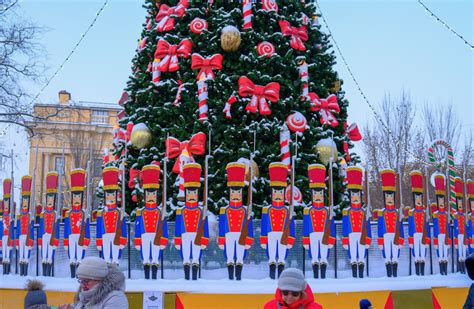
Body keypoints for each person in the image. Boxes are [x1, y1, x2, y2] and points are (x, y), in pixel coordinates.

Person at [59, 256, 128, 309]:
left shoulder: (115, 298)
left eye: (86, 281)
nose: (82, 285)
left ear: (100, 280)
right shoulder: (85, 295)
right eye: (81, 280)